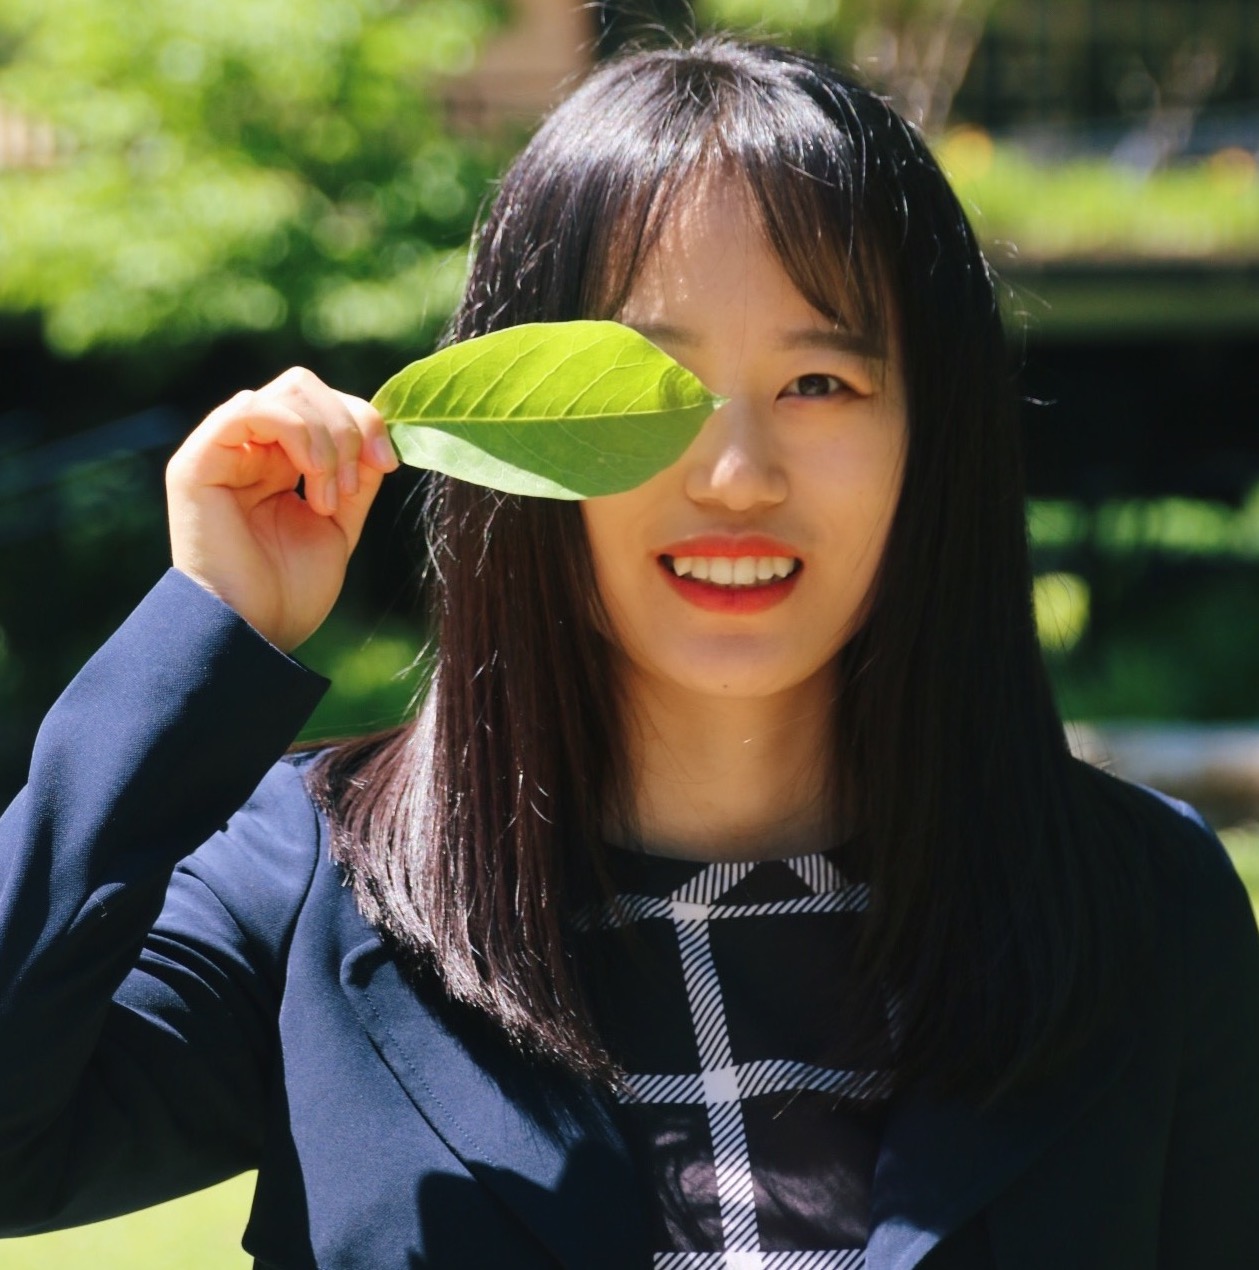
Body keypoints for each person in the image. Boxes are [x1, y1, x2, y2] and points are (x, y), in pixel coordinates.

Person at [1, 35, 1257, 1270]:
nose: (735, 474)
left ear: (935, 441)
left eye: (819, 381)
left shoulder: (1140, 907)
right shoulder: (320, 886)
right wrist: (205, 630)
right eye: (651, 382)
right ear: (527, 436)